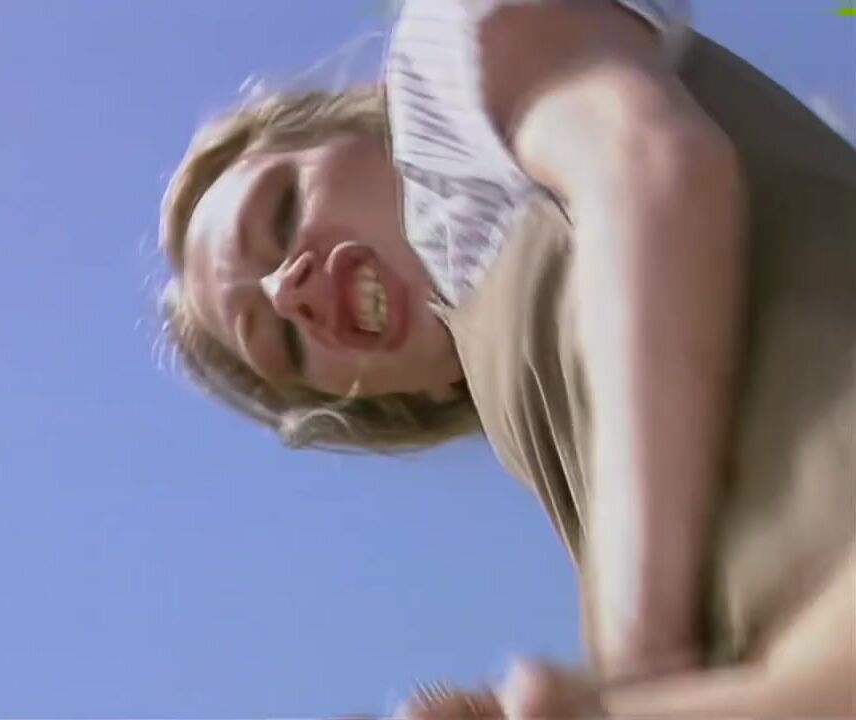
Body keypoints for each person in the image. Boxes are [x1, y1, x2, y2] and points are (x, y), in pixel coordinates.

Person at [157, 0, 856, 716]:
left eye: (281, 212)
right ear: (398, 398)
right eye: (283, 343)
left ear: (360, 126)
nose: (286, 290)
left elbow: (651, 168)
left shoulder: (452, 59)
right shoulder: (560, 457)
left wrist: (633, 662)